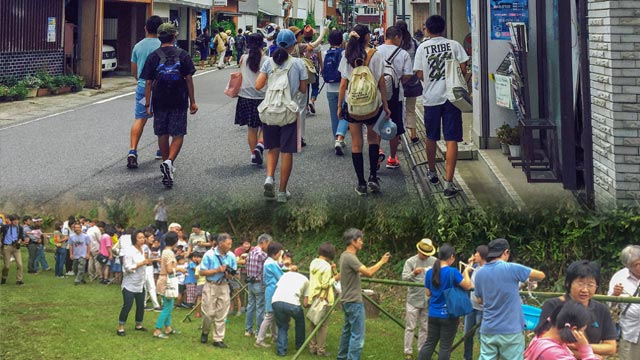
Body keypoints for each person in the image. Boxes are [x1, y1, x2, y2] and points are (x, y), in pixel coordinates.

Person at [414, 15, 469, 198]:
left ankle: (431, 172)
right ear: (443, 29)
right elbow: (463, 69)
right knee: (451, 138)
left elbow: (420, 74)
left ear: (427, 30)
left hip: (431, 98)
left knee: (431, 136)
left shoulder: (422, 48)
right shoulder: (454, 45)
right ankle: (449, 183)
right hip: (452, 98)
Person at [140, 22, 198, 189]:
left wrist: (148, 103)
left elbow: (148, 82)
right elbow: (189, 79)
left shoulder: (154, 56)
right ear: (174, 36)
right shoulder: (184, 54)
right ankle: (169, 162)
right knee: (178, 133)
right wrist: (192, 101)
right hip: (179, 99)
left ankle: (167, 165)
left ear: (159, 37)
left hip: (159, 99)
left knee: (162, 133)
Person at [337, 25, 391, 196]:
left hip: (353, 106)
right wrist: (385, 104)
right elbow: (381, 81)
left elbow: (343, 84)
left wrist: (340, 106)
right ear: (368, 36)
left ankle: (361, 183)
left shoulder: (348, 55)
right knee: (373, 140)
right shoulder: (375, 54)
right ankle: (373, 177)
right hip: (373, 105)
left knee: (356, 143)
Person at [256, 29, 308, 203]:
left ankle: (269, 177)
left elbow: (258, 85)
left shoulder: (269, 63)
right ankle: (281, 192)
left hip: (270, 110)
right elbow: (303, 89)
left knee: (272, 148)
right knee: (287, 151)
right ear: (293, 45)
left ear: (277, 43)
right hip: (288, 112)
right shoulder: (298, 63)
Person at [474, 238, 546, 360]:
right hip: (511, 330)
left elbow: (480, 300)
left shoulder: (480, 273)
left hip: (488, 328)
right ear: (506, 252)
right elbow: (541, 275)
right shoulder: (513, 268)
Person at [539, 260, 617, 358]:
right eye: (580, 283)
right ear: (568, 283)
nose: (585, 289)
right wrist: (585, 354)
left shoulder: (601, 309)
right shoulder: (554, 305)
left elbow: (611, 347)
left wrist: (584, 347)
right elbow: (545, 340)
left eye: (590, 285)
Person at [337, 228, 391, 360]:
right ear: (353, 241)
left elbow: (358, 272)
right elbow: (369, 273)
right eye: (360, 240)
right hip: (354, 302)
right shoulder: (350, 257)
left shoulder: (344, 256)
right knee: (357, 336)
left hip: (346, 300)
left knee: (347, 332)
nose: (362, 242)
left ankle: (342, 357)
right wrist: (381, 262)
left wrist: (367, 269)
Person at [417, 243, 473, 360]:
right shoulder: (453, 272)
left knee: (429, 344)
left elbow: (428, 293)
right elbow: (468, 286)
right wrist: (467, 271)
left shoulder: (429, 272)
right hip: (449, 315)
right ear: (451, 257)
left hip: (433, 313)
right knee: (445, 347)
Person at [127, 15, 162, 169]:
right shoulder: (164, 45)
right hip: (161, 88)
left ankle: (133, 151)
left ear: (145, 28)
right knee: (161, 117)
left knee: (140, 118)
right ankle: (161, 150)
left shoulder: (138, 46)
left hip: (143, 87)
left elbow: (134, 71)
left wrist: (140, 80)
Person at [376, 25, 412, 170]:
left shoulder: (376, 51)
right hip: (396, 96)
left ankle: (376, 151)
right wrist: (398, 82)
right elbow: (408, 74)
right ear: (397, 37)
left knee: (376, 124)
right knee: (395, 126)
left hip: (378, 95)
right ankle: (392, 158)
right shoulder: (403, 54)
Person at [235, 32, 268, 167]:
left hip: (245, 97)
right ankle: (260, 145)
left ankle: (254, 154)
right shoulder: (266, 60)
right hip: (263, 96)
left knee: (251, 128)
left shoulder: (243, 58)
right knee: (266, 125)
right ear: (262, 43)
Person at [199, 233, 237, 348]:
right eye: (228, 244)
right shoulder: (209, 255)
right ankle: (205, 331)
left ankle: (218, 338)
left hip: (224, 285)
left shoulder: (231, 256)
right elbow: (202, 272)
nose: (230, 246)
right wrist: (217, 270)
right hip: (211, 285)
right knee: (208, 313)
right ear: (220, 244)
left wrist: (229, 275)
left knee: (222, 313)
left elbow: (234, 273)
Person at [525, 300, 598, 360]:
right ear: (574, 330)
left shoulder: (540, 337)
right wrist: (586, 351)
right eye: (582, 331)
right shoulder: (555, 353)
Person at [402, 239, 437, 360]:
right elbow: (404, 278)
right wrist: (413, 273)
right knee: (410, 326)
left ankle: (422, 350)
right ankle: (408, 351)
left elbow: (438, 276)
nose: (425, 255)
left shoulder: (434, 261)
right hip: (413, 298)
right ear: (418, 250)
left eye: (427, 253)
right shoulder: (410, 261)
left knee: (425, 327)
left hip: (428, 299)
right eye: (423, 253)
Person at [308, 242, 340, 357]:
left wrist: (333, 271)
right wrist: (335, 278)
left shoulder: (313, 262)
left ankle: (312, 347)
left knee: (312, 322)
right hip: (324, 298)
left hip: (313, 296)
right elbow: (325, 284)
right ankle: (321, 350)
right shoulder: (326, 266)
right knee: (323, 325)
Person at [117, 229, 151, 336]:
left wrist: (149, 262)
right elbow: (127, 267)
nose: (142, 240)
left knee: (141, 305)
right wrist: (140, 264)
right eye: (140, 238)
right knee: (128, 305)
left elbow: (146, 262)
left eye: (143, 237)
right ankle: (121, 327)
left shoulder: (144, 249)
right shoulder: (129, 251)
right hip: (129, 283)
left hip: (140, 283)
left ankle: (138, 324)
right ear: (134, 239)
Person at [608, 245, 640, 360]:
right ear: (627, 266)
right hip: (631, 331)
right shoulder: (619, 277)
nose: (639, 267)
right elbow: (610, 306)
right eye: (635, 265)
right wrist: (615, 295)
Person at [272, 268, 310, 357]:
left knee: (282, 326)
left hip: (276, 301)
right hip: (293, 304)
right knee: (300, 322)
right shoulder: (305, 280)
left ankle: (281, 351)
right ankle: (300, 345)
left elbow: (277, 288)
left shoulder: (284, 275)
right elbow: (305, 303)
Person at [255, 241, 285, 348]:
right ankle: (259, 340)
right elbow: (281, 276)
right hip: (272, 290)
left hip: (270, 290)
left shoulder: (268, 261)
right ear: (275, 253)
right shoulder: (271, 263)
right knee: (269, 316)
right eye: (280, 253)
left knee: (273, 315)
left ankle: (274, 336)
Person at [324, 30, 349, 156]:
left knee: (334, 116)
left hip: (329, 89)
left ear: (329, 42)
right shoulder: (344, 53)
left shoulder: (326, 53)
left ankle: (337, 139)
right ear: (342, 41)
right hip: (342, 88)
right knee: (345, 113)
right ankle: (340, 139)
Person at [396, 20, 421, 144]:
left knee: (398, 108)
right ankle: (413, 134)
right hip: (412, 80)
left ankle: (399, 135)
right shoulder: (414, 42)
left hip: (398, 80)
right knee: (411, 109)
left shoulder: (395, 44)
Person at [152, 230, 180, 339]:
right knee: (167, 307)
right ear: (175, 241)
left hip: (162, 279)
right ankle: (158, 329)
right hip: (166, 281)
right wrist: (180, 269)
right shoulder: (170, 253)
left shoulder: (164, 251)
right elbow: (169, 269)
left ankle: (168, 327)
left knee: (170, 304)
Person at [463, 245, 488, 360]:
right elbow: (464, 280)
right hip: (471, 306)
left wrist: (467, 271)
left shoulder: (488, 270)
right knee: (467, 335)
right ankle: (467, 357)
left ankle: (486, 357)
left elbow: (469, 285)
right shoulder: (475, 267)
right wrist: (469, 267)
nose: (474, 255)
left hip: (482, 309)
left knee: (481, 336)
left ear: (482, 256)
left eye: (476, 253)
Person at [245, 233, 272, 337]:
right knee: (260, 308)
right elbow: (272, 264)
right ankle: (259, 332)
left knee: (250, 306)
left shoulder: (250, 253)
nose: (268, 246)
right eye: (268, 243)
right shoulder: (262, 254)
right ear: (263, 242)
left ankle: (248, 330)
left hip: (250, 283)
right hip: (258, 284)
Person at [1, 214, 25, 285]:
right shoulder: (5, 227)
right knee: (7, 266)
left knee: (20, 264)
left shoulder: (20, 228)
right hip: (7, 247)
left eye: (17, 220)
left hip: (16, 248)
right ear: (11, 221)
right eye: (14, 220)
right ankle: (4, 277)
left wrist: (19, 241)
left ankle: (19, 280)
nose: (16, 221)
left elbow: (21, 236)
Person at [142, 229, 162, 311]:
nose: (152, 239)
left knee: (146, 287)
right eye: (151, 237)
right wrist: (156, 259)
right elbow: (146, 259)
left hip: (146, 268)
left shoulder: (146, 247)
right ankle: (156, 305)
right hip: (147, 268)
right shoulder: (146, 247)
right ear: (146, 238)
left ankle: (144, 304)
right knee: (151, 287)